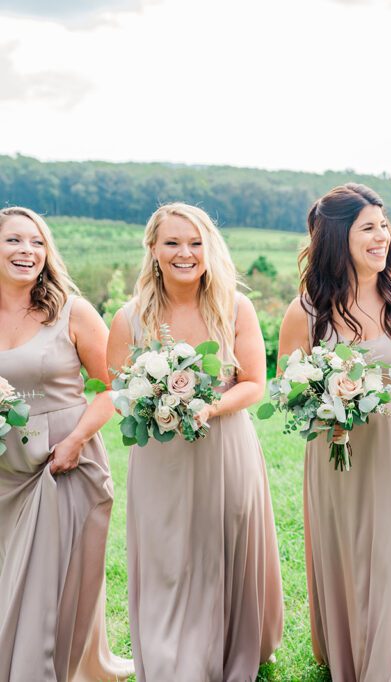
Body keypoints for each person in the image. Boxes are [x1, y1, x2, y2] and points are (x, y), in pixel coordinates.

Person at [277, 183, 391, 681]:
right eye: (368, 228)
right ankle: (350, 645)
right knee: (348, 554)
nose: (382, 237)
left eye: (384, 226)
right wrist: (326, 401)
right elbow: (288, 389)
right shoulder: (305, 310)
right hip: (338, 454)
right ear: (336, 237)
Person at [109, 202, 283, 681]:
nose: (185, 252)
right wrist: (151, 401)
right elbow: (117, 385)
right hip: (160, 453)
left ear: (210, 248)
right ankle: (167, 656)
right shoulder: (131, 317)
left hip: (224, 444)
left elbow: (253, 383)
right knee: (165, 551)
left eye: (195, 242)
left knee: (219, 546)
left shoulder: (234, 307)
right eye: (172, 242)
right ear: (153, 249)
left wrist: (210, 406)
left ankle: (225, 645)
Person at [0, 206, 133, 681]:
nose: (27, 251)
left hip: (65, 463)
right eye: (14, 240)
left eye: (37, 243)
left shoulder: (71, 311)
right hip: (5, 471)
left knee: (51, 585)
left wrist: (76, 440)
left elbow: (113, 386)